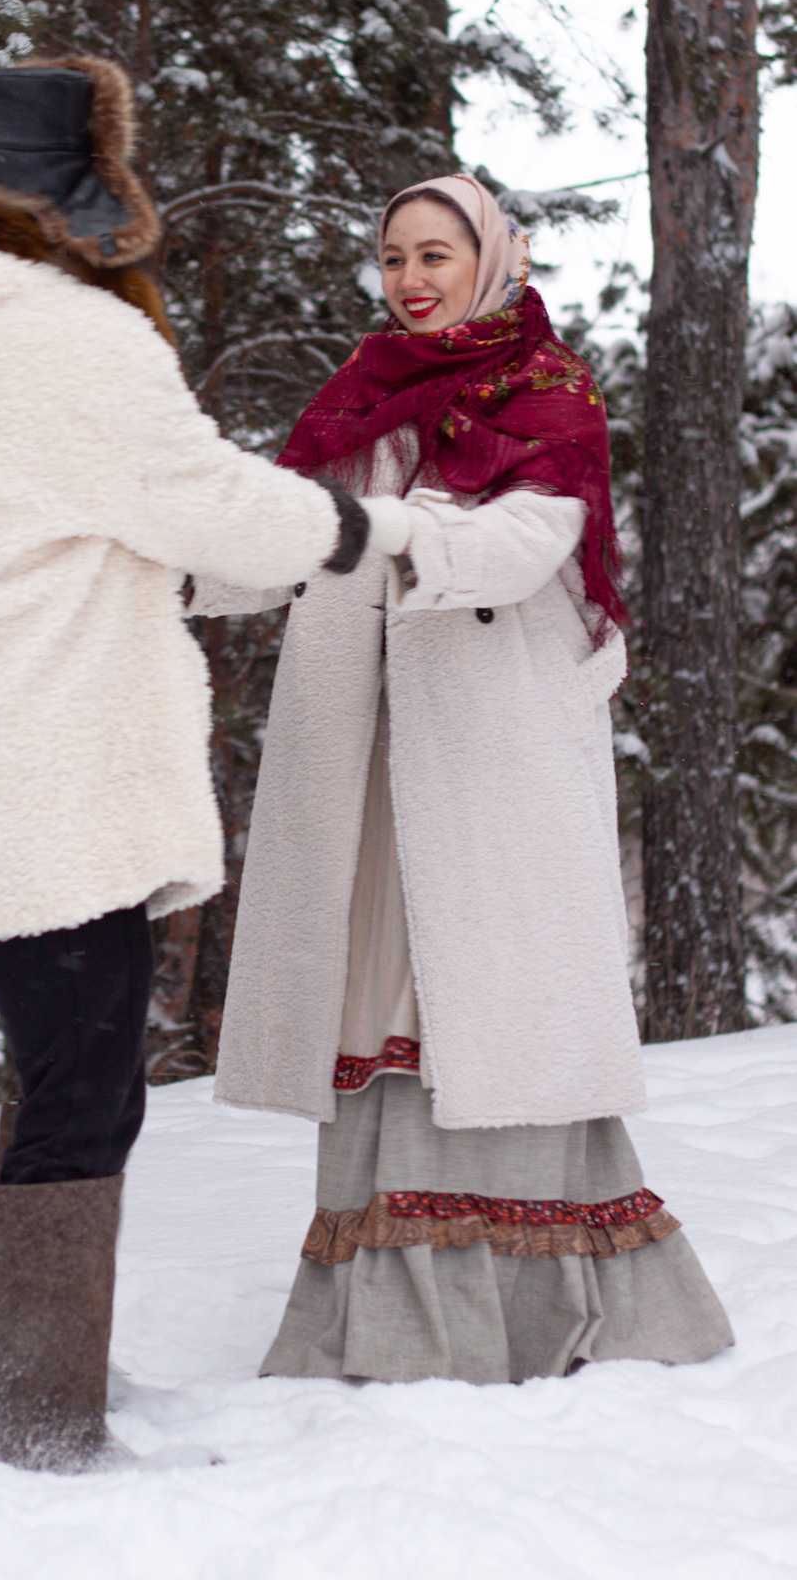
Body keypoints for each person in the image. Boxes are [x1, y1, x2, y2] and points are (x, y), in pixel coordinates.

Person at [0, 56, 369, 1469]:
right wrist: (346, 532)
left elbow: (13, 520)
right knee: (83, 1078)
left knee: (60, 1061)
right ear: (81, 190)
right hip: (46, 754)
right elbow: (202, 503)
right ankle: (29, 1418)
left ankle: (40, 1373)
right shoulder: (68, 336)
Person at [194, 172, 733, 1385]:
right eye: (393, 256)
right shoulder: (365, 404)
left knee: (495, 1015)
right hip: (370, 771)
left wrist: (368, 533)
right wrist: (163, 561)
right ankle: (389, 1322)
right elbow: (285, 537)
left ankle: (531, 1313)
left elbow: (516, 543)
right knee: (389, 1002)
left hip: (492, 766)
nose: (412, 278)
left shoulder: (548, 396)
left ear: (494, 260)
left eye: (437, 253)